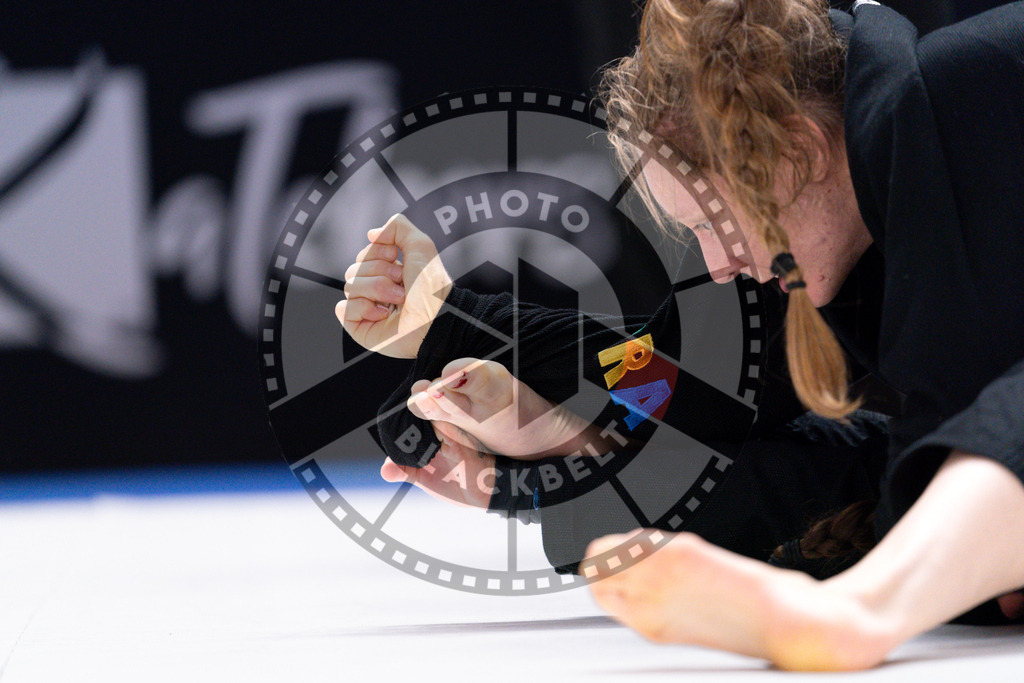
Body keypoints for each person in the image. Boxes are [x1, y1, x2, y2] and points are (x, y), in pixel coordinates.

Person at [336, 0, 1024, 671]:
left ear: (798, 149)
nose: (720, 265)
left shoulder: (969, 94)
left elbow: (919, 497)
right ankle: (863, 604)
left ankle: (865, 609)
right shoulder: (821, 216)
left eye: (708, 224)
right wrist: (465, 343)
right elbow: (664, 383)